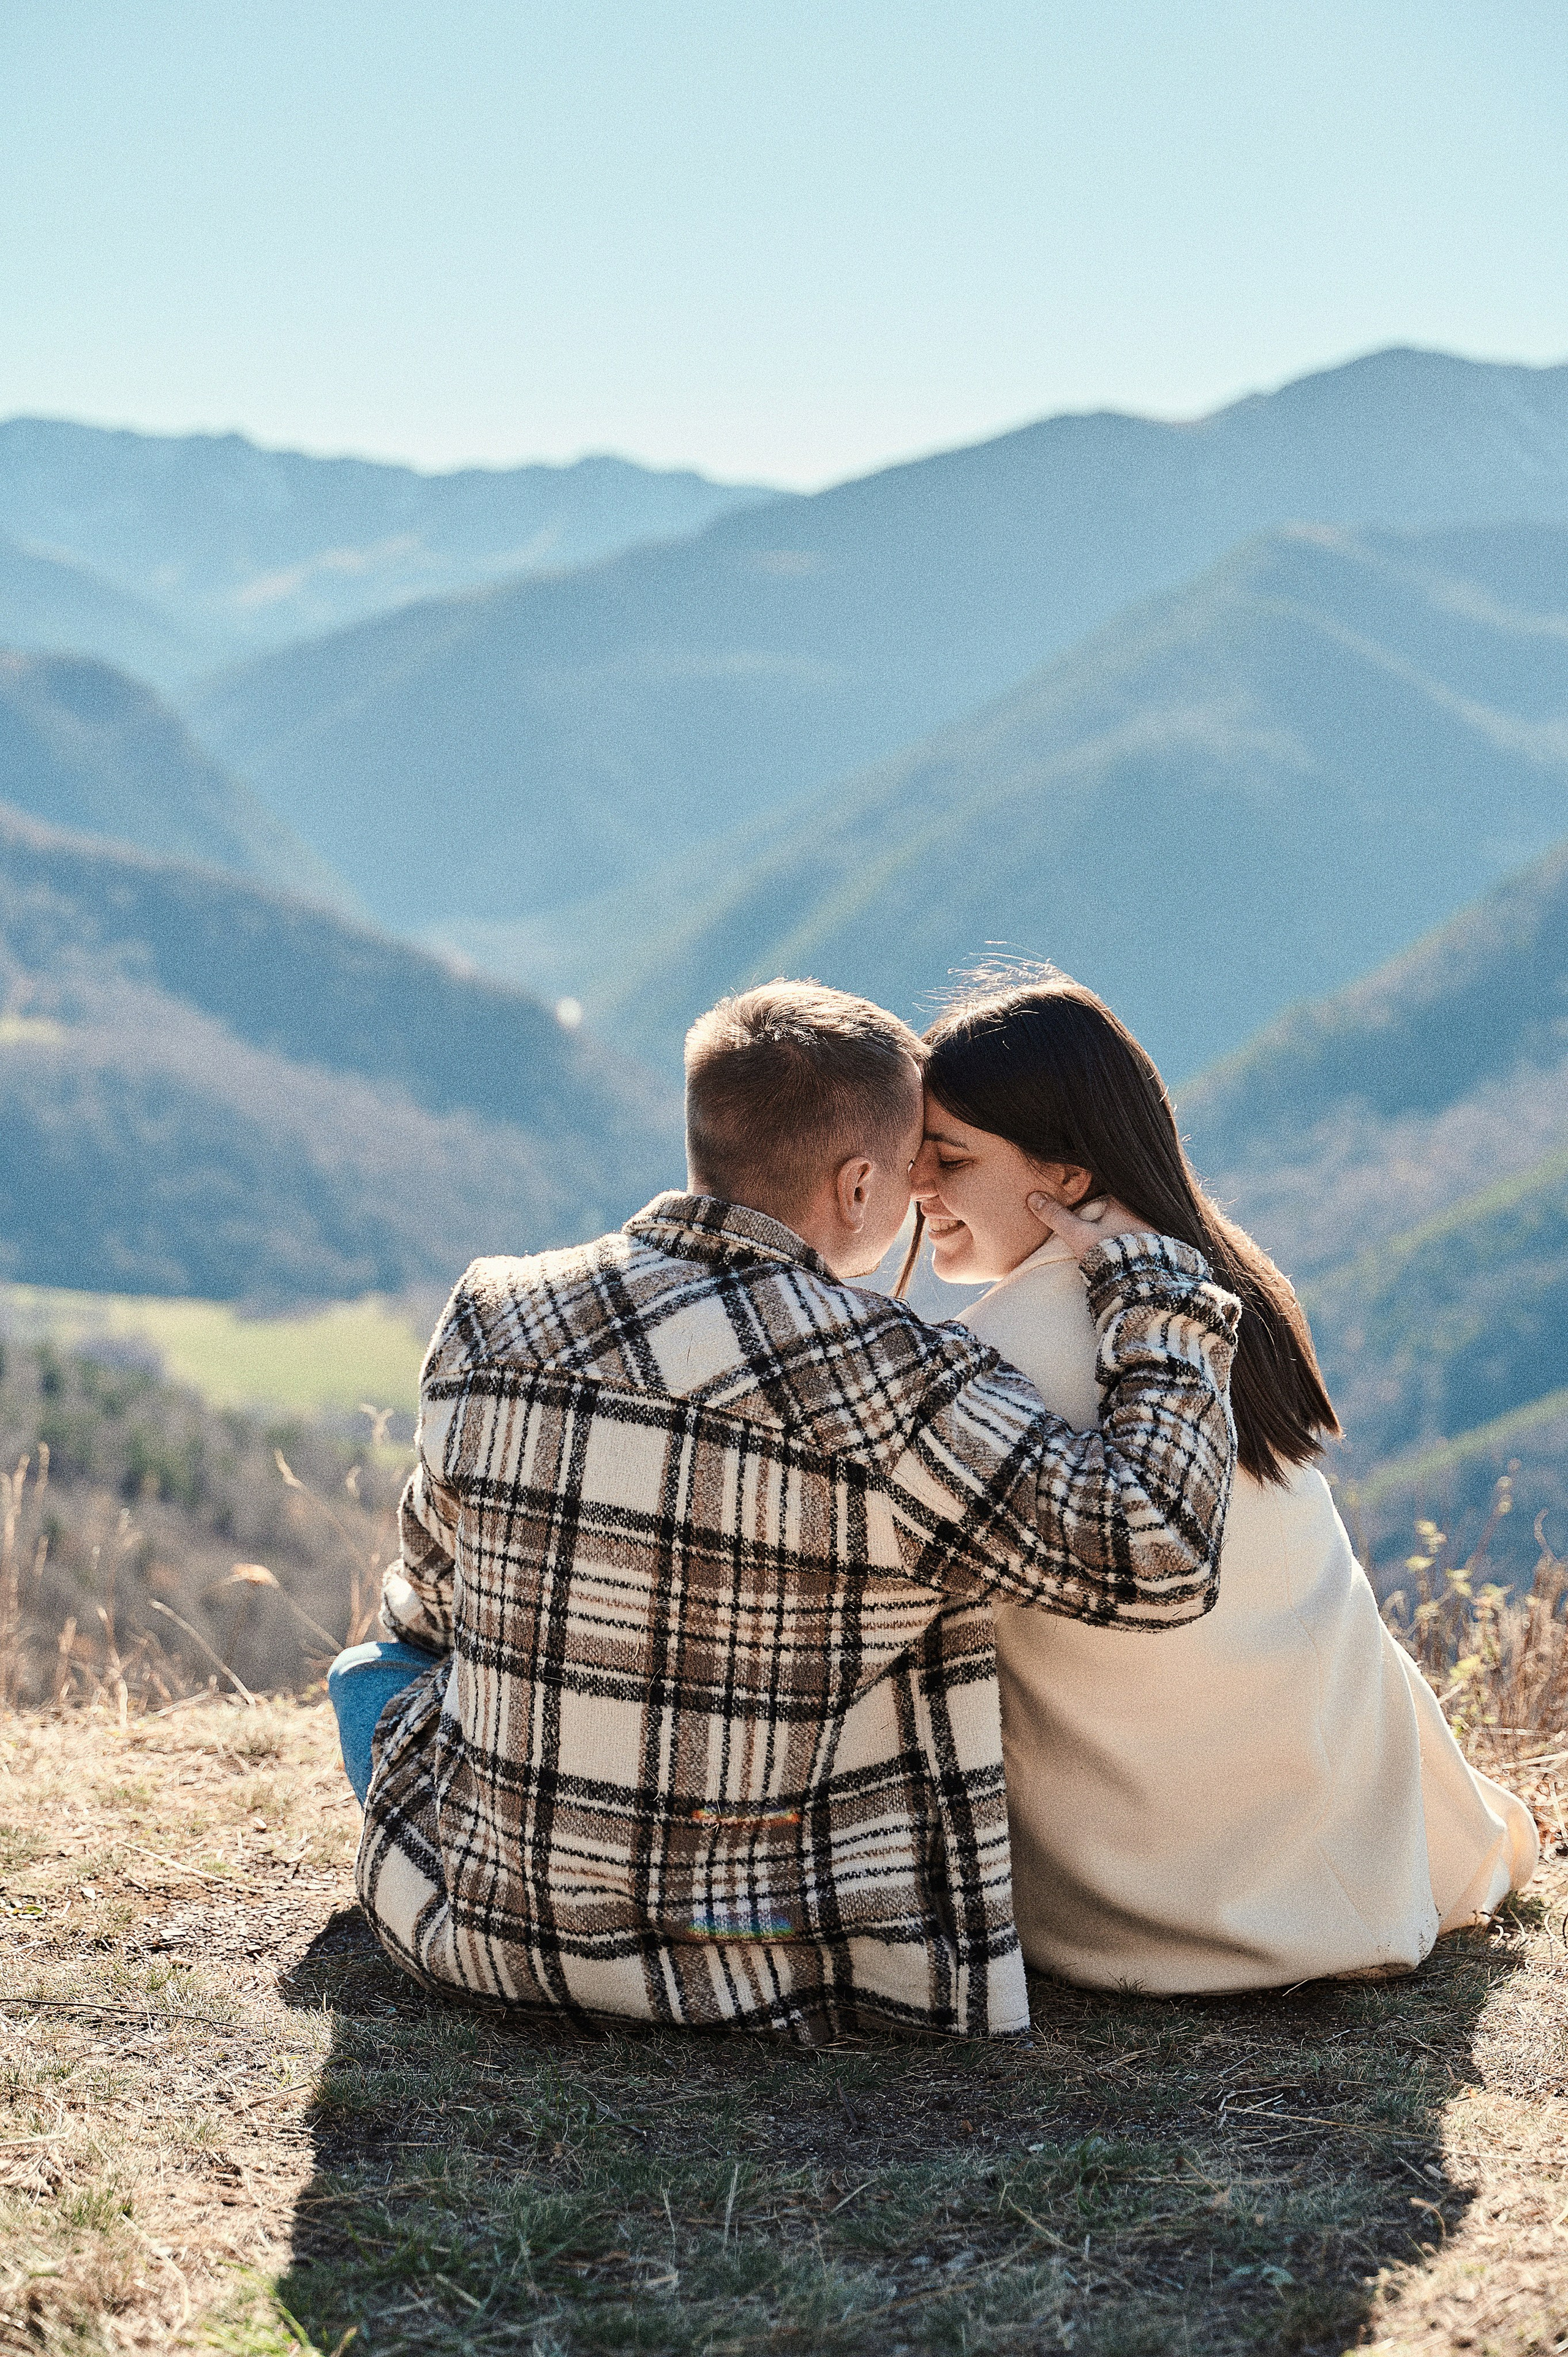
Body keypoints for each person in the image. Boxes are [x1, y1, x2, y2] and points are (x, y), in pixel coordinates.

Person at [331, 979, 1240, 2039]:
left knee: (372, 1673)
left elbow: (434, 1601)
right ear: (859, 1185)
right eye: (912, 1171)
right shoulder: (898, 1383)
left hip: (481, 1937)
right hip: (776, 1971)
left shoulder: (494, 1310)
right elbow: (1163, 1553)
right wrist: (1159, 1296)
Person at [907, 968, 1538, 1996]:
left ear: (1068, 1175)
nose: (919, 1189)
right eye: (913, 1158)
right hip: (1363, 1864)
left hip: (1162, 1903)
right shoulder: (1222, 1290)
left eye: (952, 1158)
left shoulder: (997, 1358)